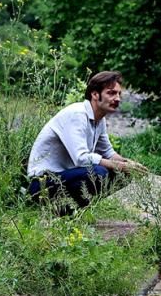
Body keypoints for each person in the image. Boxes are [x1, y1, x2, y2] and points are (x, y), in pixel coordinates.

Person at [27, 71, 147, 210]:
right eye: (111, 93)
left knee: (125, 173)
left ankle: (73, 211)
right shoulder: (77, 114)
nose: (117, 98)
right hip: (42, 183)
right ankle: (60, 210)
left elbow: (108, 152)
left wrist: (129, 164)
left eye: (119, 94)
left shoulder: (99, 119)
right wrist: (118, 166)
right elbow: (81, 158)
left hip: (66, 177)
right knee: (98, 172)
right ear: (95, 94)